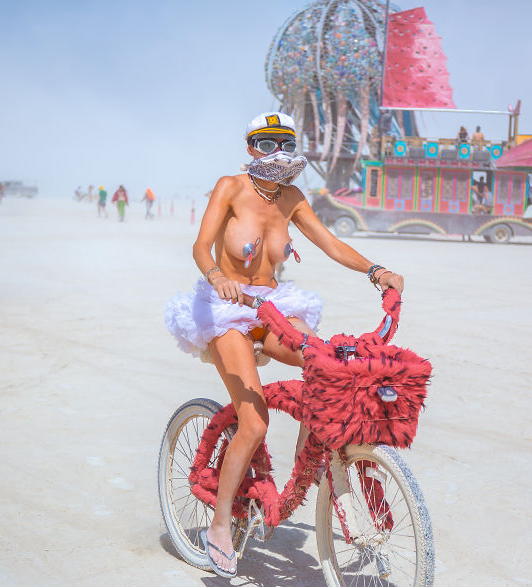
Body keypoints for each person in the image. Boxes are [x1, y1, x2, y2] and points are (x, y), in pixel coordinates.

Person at [164, 111, 403, 578]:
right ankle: (217, 527)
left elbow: (332, 245)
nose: (277, 151)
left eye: (285, 142)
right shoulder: (230, 187)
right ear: (251, 147)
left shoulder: (292, 198)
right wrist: (217, 276)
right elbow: (200, 247)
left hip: (273, 306)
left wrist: (376, 271)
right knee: (253, 423)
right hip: (226, 309)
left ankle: (308, 457)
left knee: (332, 367)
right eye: (266, 142)